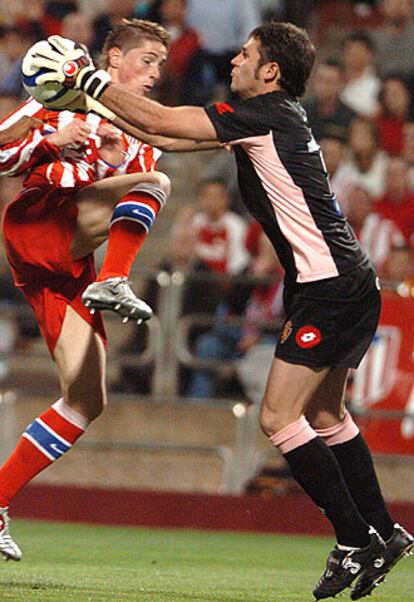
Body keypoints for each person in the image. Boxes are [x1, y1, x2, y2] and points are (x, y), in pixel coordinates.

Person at [30, 20, 413, 599]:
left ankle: (354, 539)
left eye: (246, 54)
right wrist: (102, 112)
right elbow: (172, 138)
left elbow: (162, 121)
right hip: (344, 281)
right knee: (328, 415)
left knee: (279, 419)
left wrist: (84, 79)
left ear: (270, 72)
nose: (233, 60)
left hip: (328, 285)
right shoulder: (273, 118)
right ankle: (384, 532)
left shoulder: (265, 116)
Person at [0, 18, 219, 563]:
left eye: (161, 68)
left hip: (66, 263)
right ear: (113, 59)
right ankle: (115, 279)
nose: (154, 75)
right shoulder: (61, 91)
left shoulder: (141, 132)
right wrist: (49, 142)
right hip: (39, 223)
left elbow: (140, 178)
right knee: (154, 184)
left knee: (86, 398)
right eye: (147, 62)